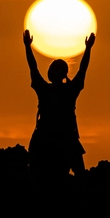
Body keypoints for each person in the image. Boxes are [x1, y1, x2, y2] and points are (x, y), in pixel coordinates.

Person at [24, 29, 95, 179]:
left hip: (48, 138)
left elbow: (33, 68)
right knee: (80, 175)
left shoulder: (44, 89)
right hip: (65, 138)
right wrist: (88, 49)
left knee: (37, 176)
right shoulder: (70, 90)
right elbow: (83, 70)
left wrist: (27, 47)